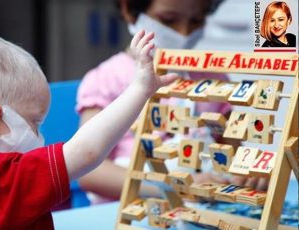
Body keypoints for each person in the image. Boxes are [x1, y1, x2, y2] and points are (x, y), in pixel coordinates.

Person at [0, 31, 178, 229]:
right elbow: (87, 152)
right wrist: (140, 89)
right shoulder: (5, 179)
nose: (39, 135)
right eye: (34, 122)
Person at [76, 0, 268, 205]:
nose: (183, 32)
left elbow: (236, 155)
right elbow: (89, 171)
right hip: (130, 208)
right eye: (168, 20)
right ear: (129, 10)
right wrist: (173, 186)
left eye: (196, 20)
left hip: (204, 208)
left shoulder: (213, 78)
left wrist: (250, 172)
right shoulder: (106, 79)